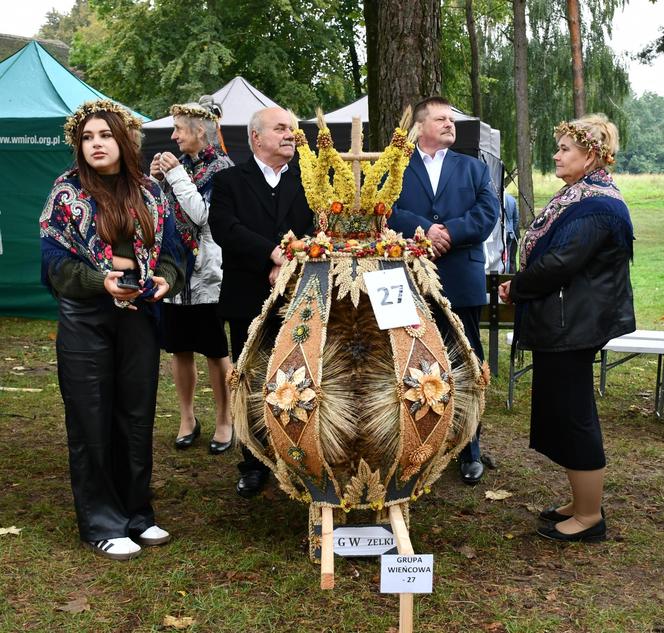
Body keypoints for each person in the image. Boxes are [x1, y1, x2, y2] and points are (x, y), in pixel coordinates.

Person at [39, 99, 185, 560]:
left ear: (123, 141)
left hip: (138, 315)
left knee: (136, 417)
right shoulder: (65, 195)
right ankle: (101, 521)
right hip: (85, 319)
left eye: (104, 135)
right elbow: (53, 266)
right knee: (91, 419)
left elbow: (177, 251)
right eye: (86, 138)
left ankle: (137, 514)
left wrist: (168, 277)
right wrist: (97, 281)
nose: (95, 144)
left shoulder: (151, 192)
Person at [499, 114, 634, 542]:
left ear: (590, 155)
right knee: (563, 411)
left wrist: (517, 287)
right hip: (565, 320)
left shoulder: (596, 205)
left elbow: (561, 265)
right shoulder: (578, 195)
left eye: (564, 149)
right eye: (557, 148)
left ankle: (590, 517)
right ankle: (580, 501)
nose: (556, 156)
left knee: (575, 416)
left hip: (573, 323)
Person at [388, 96, 500, 485]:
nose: (450, 125)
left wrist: (449, 232)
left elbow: (488, 213)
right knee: (410, 360)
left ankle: (470, 450)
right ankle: (415, 447)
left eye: (451, 119)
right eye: (441, 119)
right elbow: (384, 210)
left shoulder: (474, 167)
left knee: (467, 362)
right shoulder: (397, 166)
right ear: (420, 127)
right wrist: (425, 230)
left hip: (461, 279)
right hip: (409, 279)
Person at [208, 107, 313, 498]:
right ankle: (253, 462)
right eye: (281, 128)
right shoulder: (229, 181)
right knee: (251, 380)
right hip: (246, 295)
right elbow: (226, 229)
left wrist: (289, 264)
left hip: (298, 296)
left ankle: (298, 456)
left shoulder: (309, 181)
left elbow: (316, 227)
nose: (289, 135)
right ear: (256, 137)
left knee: (298, 377)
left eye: (292, 129)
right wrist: (271, 255)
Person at [150, 96, 235, 454]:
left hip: (207, 276)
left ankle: (224, 420)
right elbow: (161, 214)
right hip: (173, 272)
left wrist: (173, 175)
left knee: (216, 351)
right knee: (179, 348)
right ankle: (187, 417)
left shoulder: (224, 170)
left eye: (179, 129)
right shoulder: (178, 165)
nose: (173, 137)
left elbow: (203, 216)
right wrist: (153, 182)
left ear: (200, 131)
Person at [504, 190, 519, 272]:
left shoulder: (499, 199)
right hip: (510, 232)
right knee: (508, 256)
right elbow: (516, 218)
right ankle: (507, 272)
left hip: (502, 232)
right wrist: (512, 229)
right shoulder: (512, 199)